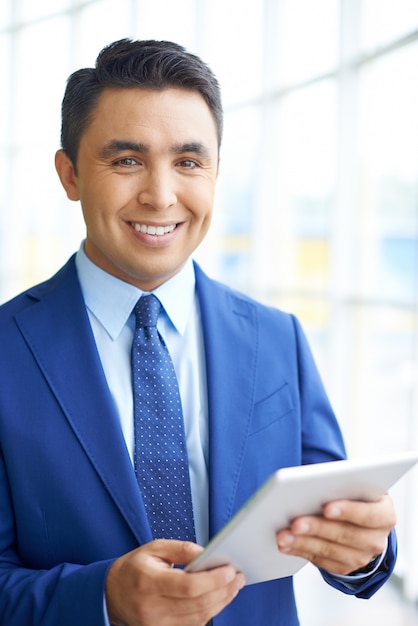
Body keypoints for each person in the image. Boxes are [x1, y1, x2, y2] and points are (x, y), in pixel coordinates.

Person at [0, 39, 397, 626]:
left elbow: (332, 520)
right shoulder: (8, 351)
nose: (161, 196)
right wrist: (103, 599)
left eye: (188, 162)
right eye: (127, 160)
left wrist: (362, 553)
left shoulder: (277, 338)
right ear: (70, 174)